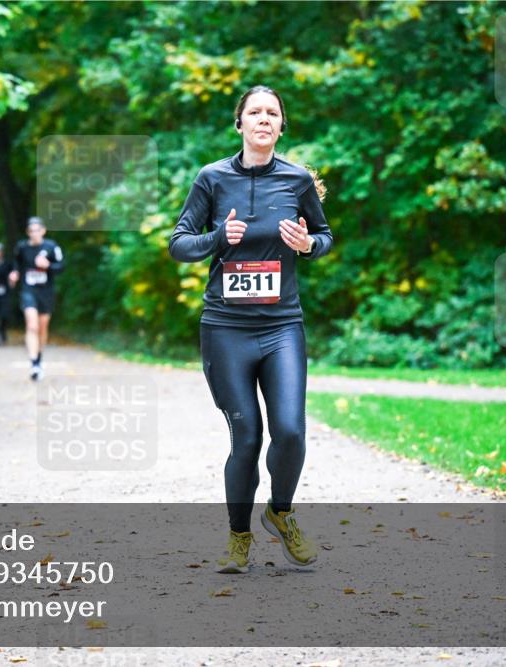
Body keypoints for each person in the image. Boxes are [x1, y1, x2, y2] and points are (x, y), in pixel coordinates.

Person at [168, 85, 334, 573]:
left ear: (282, 126)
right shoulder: (212, 178)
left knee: (291, 431)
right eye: (254, 112)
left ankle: (280, 512)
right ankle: (238, 538)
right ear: (238, 123)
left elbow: (324, 236)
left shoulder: (297, 180)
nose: (263, 119)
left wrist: (307, 245)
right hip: (226, 328)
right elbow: (179, 243)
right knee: (246, 437)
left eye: (273, 113)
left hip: (282, 325)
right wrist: (219, 237)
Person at [9, 217, 65, 381]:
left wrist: (48, 266)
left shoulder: (51, 247)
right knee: (32, 325)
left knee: (42, 326)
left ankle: (39, 359)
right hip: (29, 290)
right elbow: (16, 264)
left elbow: (61, 266)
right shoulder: (22, 247)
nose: (34, 234)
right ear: (28, 232)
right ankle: (33, 362)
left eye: (37, 230)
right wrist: (14, 273)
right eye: (31, 231)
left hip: (46, 292)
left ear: (43, 231)